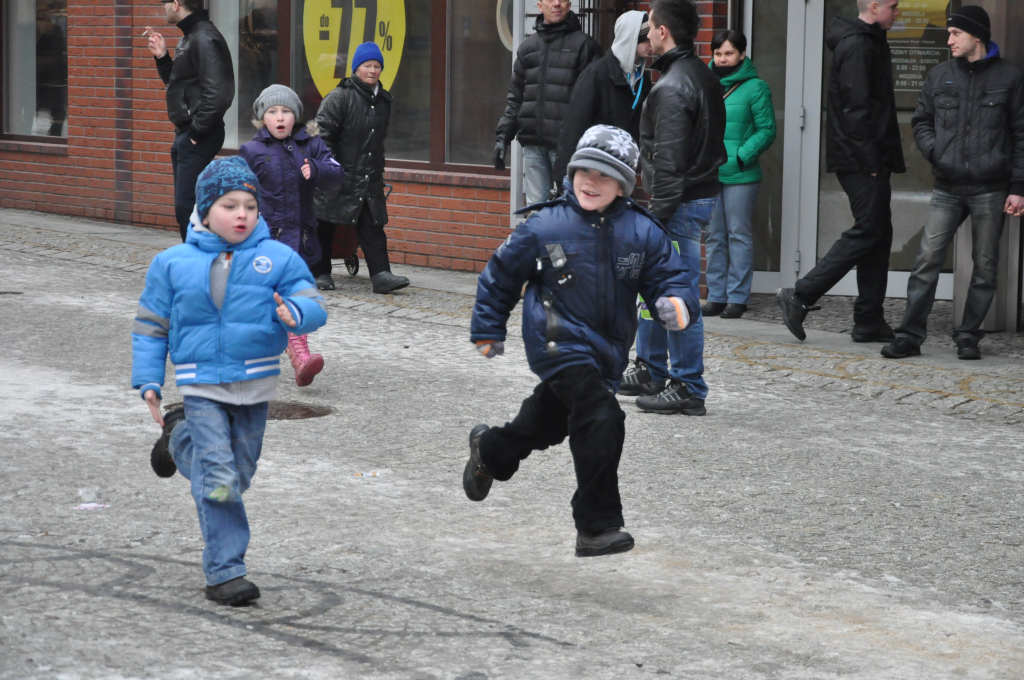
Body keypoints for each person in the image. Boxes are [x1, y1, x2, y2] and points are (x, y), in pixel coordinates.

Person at [465, 125, 697, 557]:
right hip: (555, 340)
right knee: (602, 417)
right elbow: (500, 275)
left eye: (604, 175)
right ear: (571, 173)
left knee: (547, 421)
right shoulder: (546, 225)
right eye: (583, 171)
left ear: (624, 184)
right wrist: (488, 328)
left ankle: (492, 451)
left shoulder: (642, 232)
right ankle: (596, 525)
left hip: (605, 352)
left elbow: (670, 277)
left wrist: (674, 305)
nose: (591, 182)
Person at [131, 157, 327, 606]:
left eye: (249, 206)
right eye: (229, 205)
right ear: (204, 209)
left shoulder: (276, 257)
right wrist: (148, 380)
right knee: (218, 478)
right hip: (201, 385)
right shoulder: (172, 263)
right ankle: (225, 571)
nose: (242, 215)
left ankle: (178, 439)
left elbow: (310, 298)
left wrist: (296, 312)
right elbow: (150, 325)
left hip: (255, 387)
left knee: (238, 476)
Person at [881, 6, 1024, 361]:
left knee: (986, 264)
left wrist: (1019, 186)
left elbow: (1022, 134)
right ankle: (909, 336)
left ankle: (968, 335)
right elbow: (921, 121)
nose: (948, 40)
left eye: (955, 33)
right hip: (947, 186)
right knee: (927, 258)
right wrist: (937, 152)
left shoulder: (1010, 78)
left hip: (991, 187)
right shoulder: (940, 75)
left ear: (977, 34)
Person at [618, 0, 726, 417]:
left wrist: (655, 217)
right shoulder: (699, 76)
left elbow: (670, 161)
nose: (646, 33)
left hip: (676, 204)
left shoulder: (673, 87)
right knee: (655, 290)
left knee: (676, 296)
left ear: (662, 31)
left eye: (649, 26)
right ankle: (650, 368)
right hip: (688, 198)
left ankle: (686, 384)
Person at [776, 0, 904, 343]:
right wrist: (871, 162)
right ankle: (801, 294)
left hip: (868, 157)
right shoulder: (859, 45)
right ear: (874, 6)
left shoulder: (869, 40)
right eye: (893, 5)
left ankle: (868, 319)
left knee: (879, 234)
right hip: (863, 160)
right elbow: (857, 110)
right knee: (869, 230)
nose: (898, 12)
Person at [240, 84, 343, 385]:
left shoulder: (309, 144)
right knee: (262, 301)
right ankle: (255, 356)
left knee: (295, 297)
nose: (280, 117)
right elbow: (234, 190)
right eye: (273, 112)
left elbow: (337, 173)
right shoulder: (252, 151)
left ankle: (300, 358)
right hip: (265, 242)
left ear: (295, 116)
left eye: (286, 111)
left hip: (301, 240)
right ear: (263, 118)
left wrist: (317, 169)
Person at [313, 42, 409, 294]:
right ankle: (321, 272)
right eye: (367, 65)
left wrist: (377, 171)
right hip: (336, 172)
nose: (373, 70)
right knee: (325, 222)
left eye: (377, 66)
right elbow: (322, 135)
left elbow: (378, 142)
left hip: (368, 175)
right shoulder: (339, 97)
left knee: (372, 225)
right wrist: (330, 167)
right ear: (356, 68)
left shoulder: (384, 101)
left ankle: (381, 274)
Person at [494, 0, 601, 205]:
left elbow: (593, 101)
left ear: (570, 4)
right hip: (533, 143)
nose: (557, 4)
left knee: (571, 209)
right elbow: (515, 98)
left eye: (562, 0)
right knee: (537, 211)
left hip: (568, 146)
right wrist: (503, 137)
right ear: (539, 4)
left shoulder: (585, 46)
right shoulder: (528, 48)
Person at [145, 0, 235, 242]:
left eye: (164, 3)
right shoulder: (192, 36)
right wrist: (163, 58)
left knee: (188, 207)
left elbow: (220, 94)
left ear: (176, 4)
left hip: (198, 134)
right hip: (187, 133)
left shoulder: (204, 38)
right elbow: (180, 87)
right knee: (188, 207)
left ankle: (200, 262)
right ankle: (198, 260)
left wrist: (196, 133)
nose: (162, 8)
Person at [701, 30, 776, 320]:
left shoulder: (755, 87)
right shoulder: (706, 82)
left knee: (738, 235)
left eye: (728, 53)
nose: (722, 59)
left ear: (742, 54)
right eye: (718, 53)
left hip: (741, 174)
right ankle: (716, 296)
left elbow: (767, 130)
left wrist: (743, 155)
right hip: (711, 172)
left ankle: (738, 297)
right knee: (714, 236)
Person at [554, 10, 653, 183]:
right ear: (630, 39)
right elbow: (574, 126)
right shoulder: (596, 74)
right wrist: (564, 177)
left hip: (622, 168)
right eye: (645, 38)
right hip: (593, 167)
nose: (650, 44)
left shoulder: (642, 79)